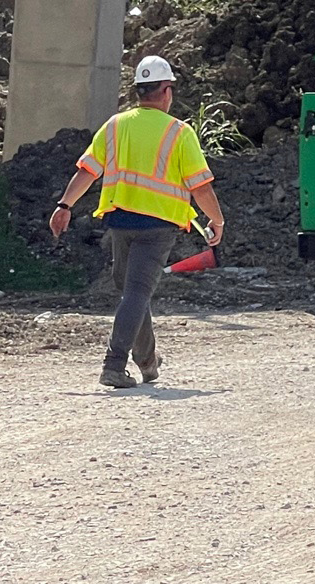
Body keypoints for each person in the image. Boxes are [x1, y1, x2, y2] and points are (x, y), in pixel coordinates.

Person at [51, 55, 224, 390]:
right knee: (135, 293)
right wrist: (216, 219)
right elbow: (200, 187)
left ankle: (147, 361)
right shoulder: (178, 133)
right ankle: (113, 366)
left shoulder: (115, 125)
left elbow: (87, 171)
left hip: (121, 222)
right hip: (158, 228)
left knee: (132, 292)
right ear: (166, 91)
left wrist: (64, 205)